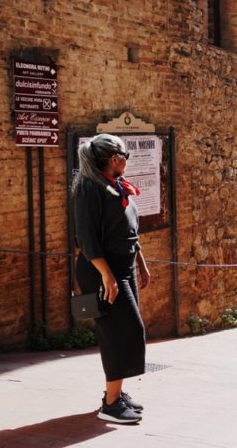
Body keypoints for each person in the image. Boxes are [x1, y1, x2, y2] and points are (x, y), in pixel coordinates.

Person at [72, 134, 151, 424]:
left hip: (123, 268)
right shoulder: (89, 189)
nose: (127, 161)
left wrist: (141, 264)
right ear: (113, 158)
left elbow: (129, 231)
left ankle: (116, 393)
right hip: (102, 271)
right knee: (123, 330)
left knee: (122, 330)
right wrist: (107, 275)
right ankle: (111, 403)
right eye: (125, 156)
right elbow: (86, 238)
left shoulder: (116, 186)